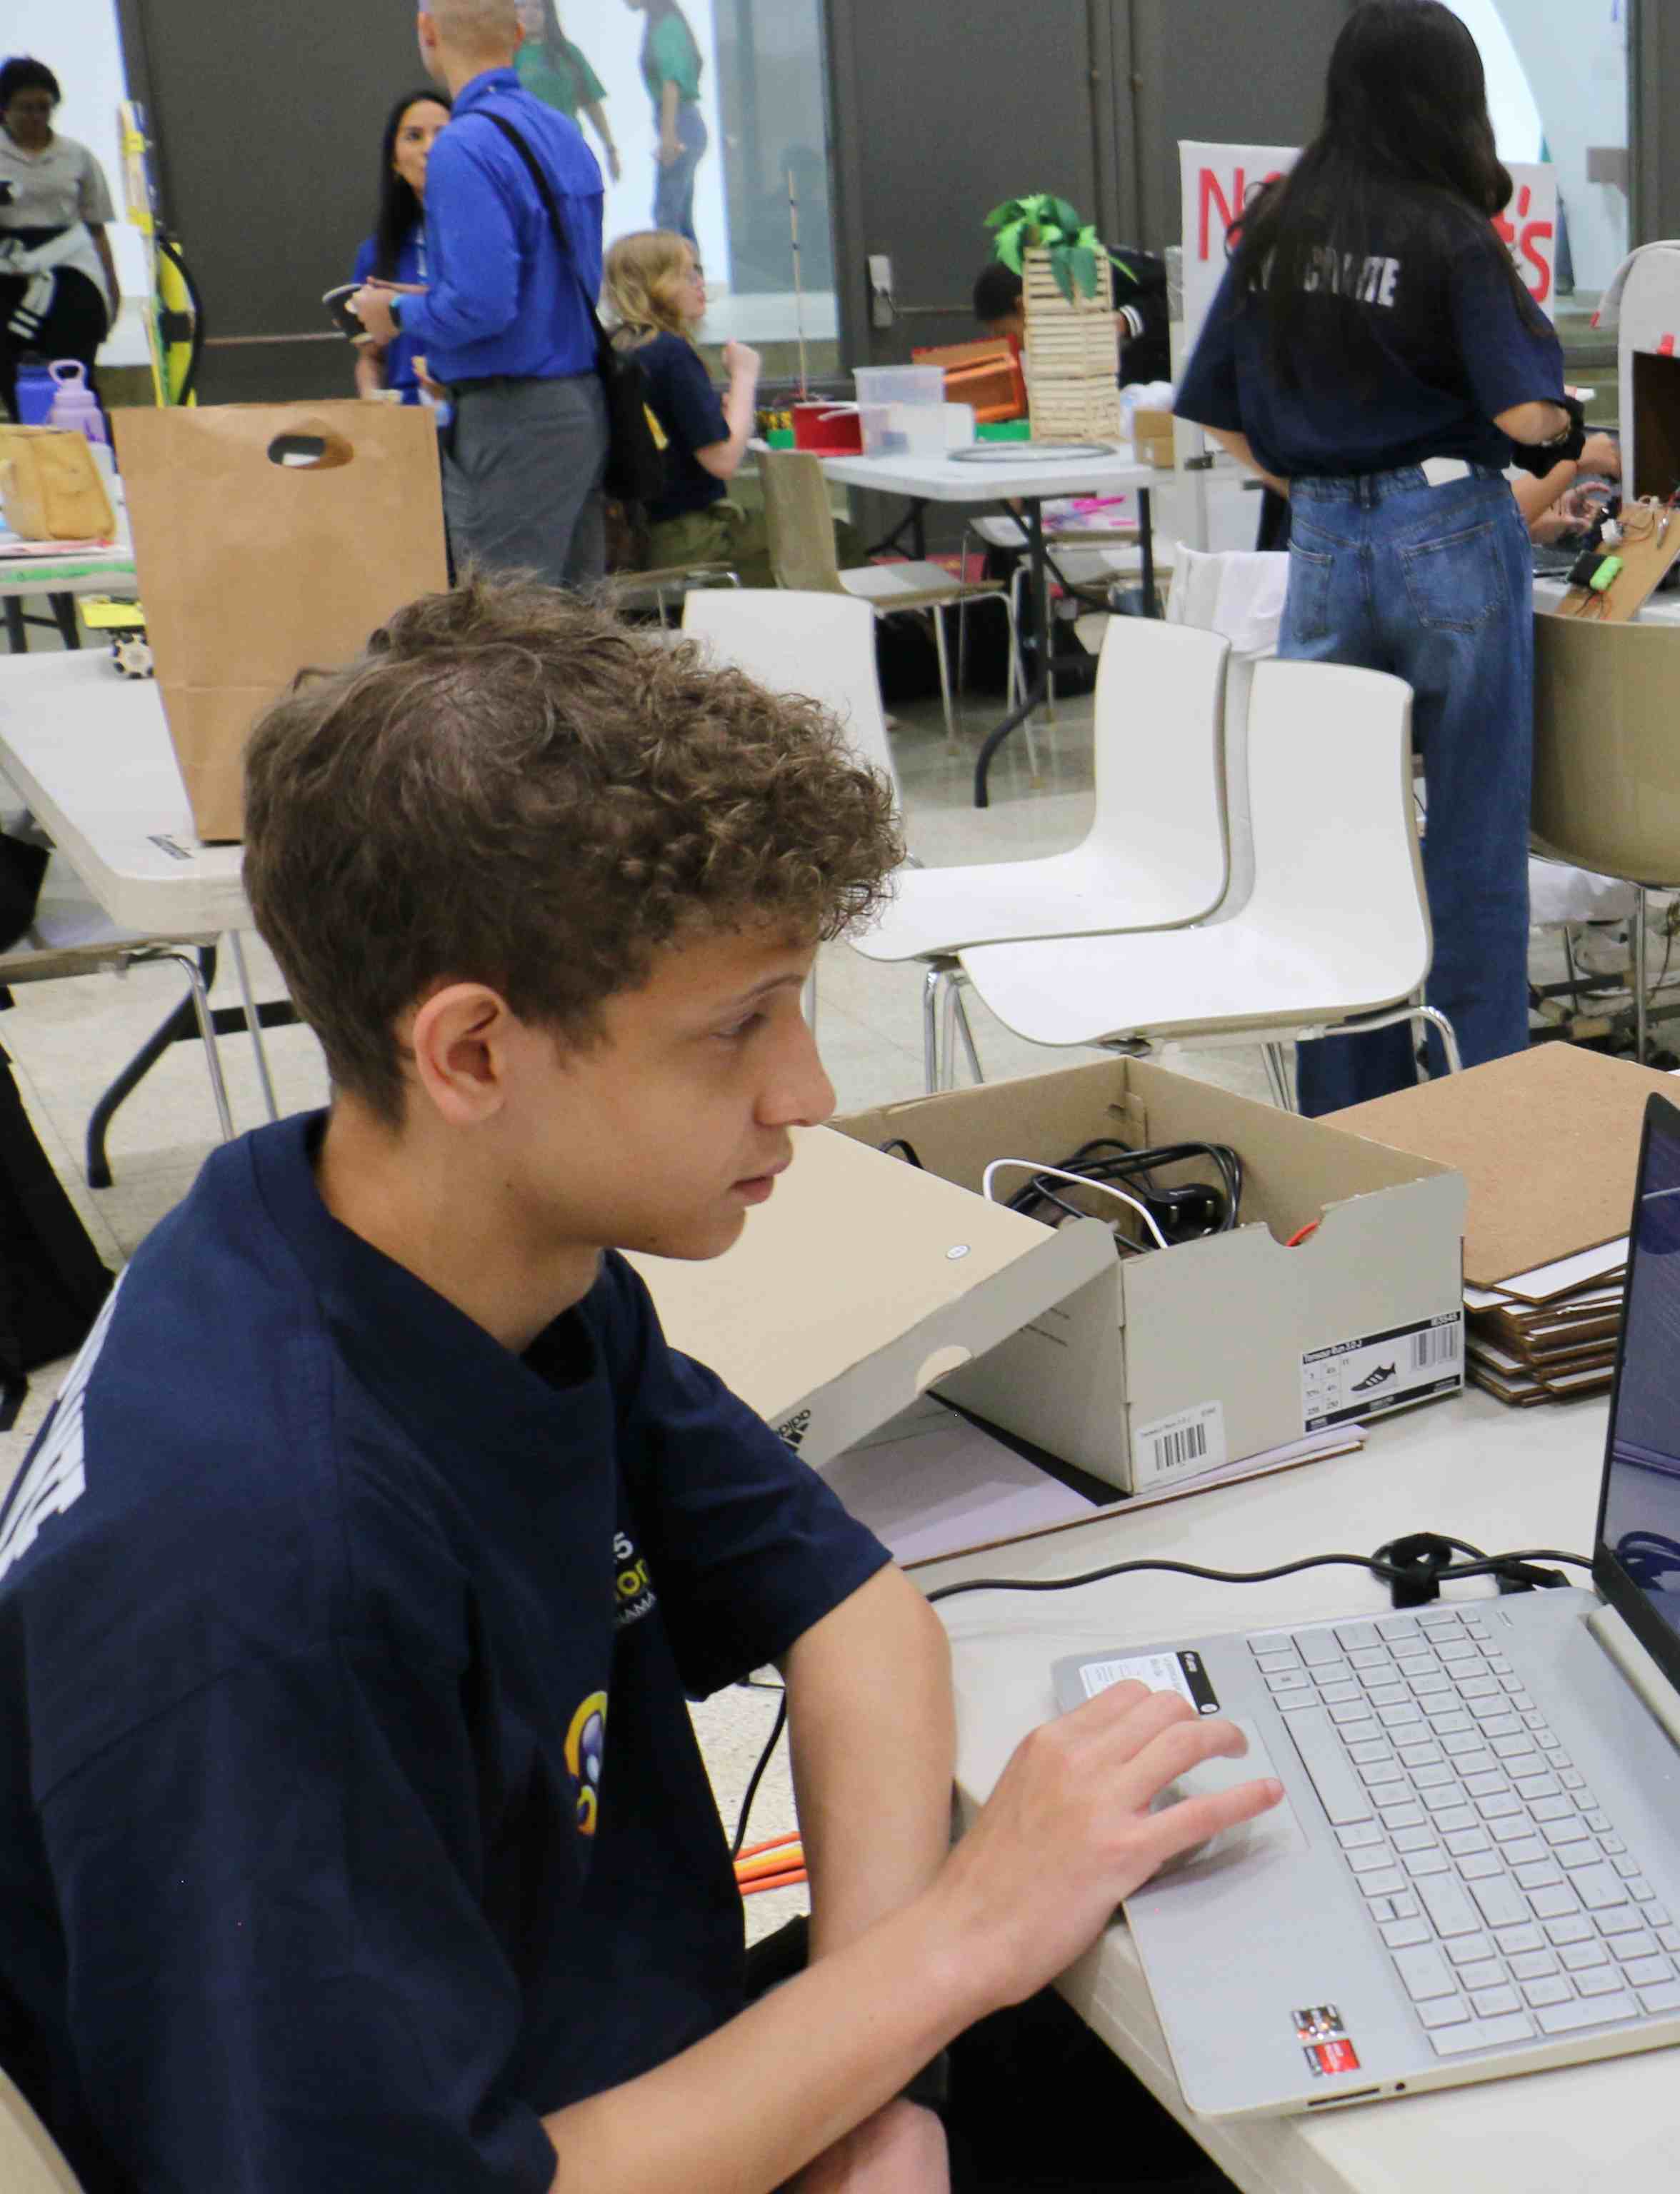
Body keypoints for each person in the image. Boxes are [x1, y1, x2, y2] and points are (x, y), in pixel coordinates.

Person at [0, 580, 1281, 2193]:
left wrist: (886, 2065)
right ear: (471, 1052)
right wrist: (945, 1949)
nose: (808, 1091)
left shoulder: (459, 1249)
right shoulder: (260, 1561)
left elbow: (854, 1611)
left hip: (643, 2072)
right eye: (738, 1026)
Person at [1174, 0, 1575, 1113]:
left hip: (1325, 538)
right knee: (1475, 840)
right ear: (1454, 99)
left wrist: (1327, 493)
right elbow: (1532, 411)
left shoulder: (1278, 220)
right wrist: (1576, 434)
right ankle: (1478, 1108)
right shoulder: (1451, 229)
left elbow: (1216, 411)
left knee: (1330, 839)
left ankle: (1344, 1119)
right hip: (1448, 525)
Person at [356, 0, 613, 591]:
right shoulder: (559, 129)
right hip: (579, 404)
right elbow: (547, 285)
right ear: (520, 33)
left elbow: (482, 307)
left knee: (508, 636)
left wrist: (393, 311)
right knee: (578, 636)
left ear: (427, 32)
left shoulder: (464, 147)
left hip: (511, 419)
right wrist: (434, 298)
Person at [602, 229, 764, 583]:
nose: (700, 284)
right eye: (687, 274)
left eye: (699, 272)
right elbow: (722, 460)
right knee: (834, 538)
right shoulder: (671, 353)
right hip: (691, 538)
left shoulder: (617, 349)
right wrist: (744, 378)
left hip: (637, 537)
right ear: (655, 285)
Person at [0, 58, 121, 406]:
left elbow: (96, 228)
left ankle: (89, 450)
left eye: (44, 108)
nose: (36, 117)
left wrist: (112, 289)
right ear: (5, 109)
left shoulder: (77, 157)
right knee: (14, 376)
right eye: (25, 108)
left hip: (70, 269)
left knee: (74, 375)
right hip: (9, 270)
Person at [353, 91, 454, 404]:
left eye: (443, 134)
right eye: (414, 136)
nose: (430, 148)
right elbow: (373, 356)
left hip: (478, 408)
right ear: (395, 161)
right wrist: (371, 393)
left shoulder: (486, 237)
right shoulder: (376, 252)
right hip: (407, 417)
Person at [976, 249, 1172, 386]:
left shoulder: (1095, 268)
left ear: (1022, 306)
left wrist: (1125, 320)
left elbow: (1177, 290)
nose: (1011, 345)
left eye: (1005, 333)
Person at [515, 0, 622, 184]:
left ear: (548, 13)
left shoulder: (568, 53)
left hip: (568, 150)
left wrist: (610, 149)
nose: (529, 12)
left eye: (537, 6)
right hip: (525, 155)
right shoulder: (507, 56)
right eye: (522, 6)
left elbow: (591, 103)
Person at [628, 0, 707, 244]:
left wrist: (669, 136)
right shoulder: (663, 22)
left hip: (679, 122)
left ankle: (676, 278)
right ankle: (691, 277)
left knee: (668, 216)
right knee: (679, 217)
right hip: (683, 122)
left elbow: (671, 83)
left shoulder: (666, 25)